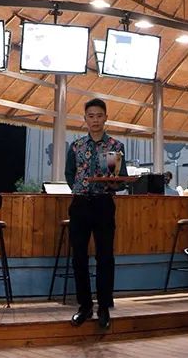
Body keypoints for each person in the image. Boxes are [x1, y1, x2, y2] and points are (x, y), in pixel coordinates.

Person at [65, 98, 127, 330]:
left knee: (105, 257)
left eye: (99, 116)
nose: (95, 120)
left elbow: (119, 179)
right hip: (80, 204)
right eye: (91, 116)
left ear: (106, 118)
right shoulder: (76, 146)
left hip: (103, 204)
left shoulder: (114, 146)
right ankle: (84, 306)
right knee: (79, 257)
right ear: (85, 119)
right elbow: (70, 174)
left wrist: (113, 184)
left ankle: (103, 307)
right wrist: (80, 189)